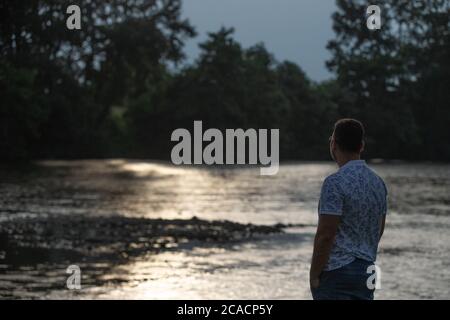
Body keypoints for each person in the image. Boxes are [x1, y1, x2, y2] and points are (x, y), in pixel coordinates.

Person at [310, 118, 387, 300]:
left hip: (337, 271)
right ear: (361, 146)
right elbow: (379, 228)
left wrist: (314, 274)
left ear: (333, 144)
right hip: (367, 269)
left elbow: (326, 235)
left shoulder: (334, 183)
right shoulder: (378, 183)